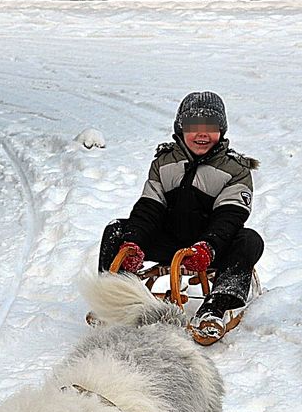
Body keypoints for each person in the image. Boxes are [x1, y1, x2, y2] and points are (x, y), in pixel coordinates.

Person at [97, 91, 263, 340]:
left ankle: (215, 307)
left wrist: (209, 247)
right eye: (193, 126)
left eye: (211, 127)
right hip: (170, 241)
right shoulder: (164, 163)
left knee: (249, 240)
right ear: (180, 128)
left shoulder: (235, 169)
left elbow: (230, 216)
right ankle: (114, 295)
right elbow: (149, 207)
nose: (202, 134)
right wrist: (135, 242)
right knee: (117, 230)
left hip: (211, 248)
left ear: (222, 130)